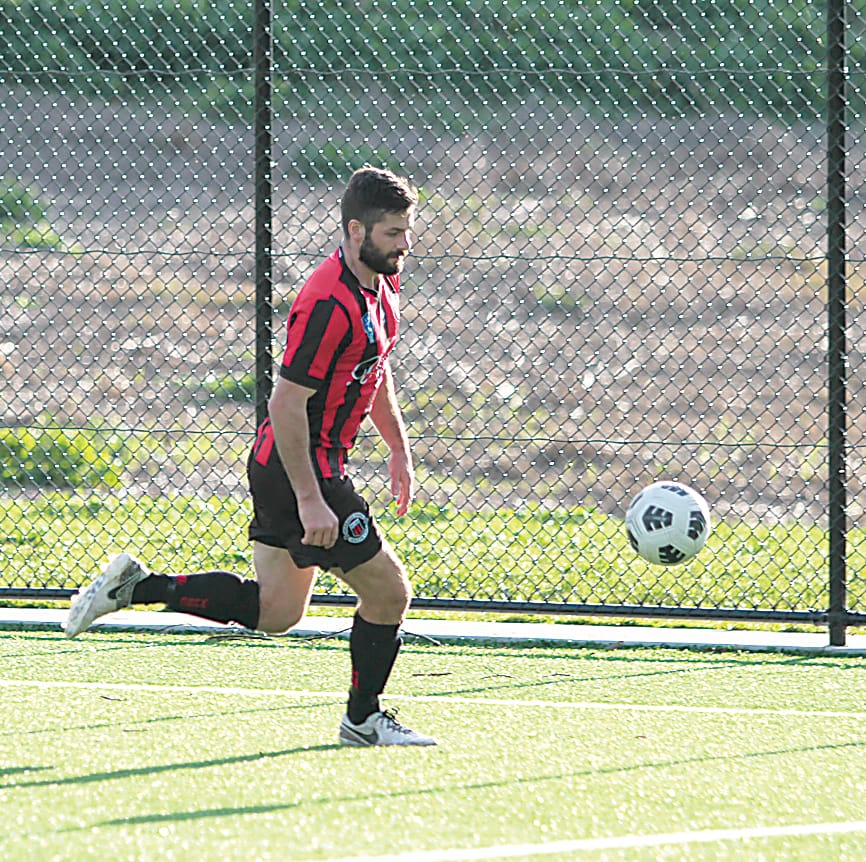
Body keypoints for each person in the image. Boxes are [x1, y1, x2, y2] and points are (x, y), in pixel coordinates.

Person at [64, 166, 436, 747]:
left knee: (276, 612)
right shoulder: (328, 300)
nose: (406, 244)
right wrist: (312, 499)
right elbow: (286, 404)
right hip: (299, 470)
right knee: (389, 592)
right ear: (356, 232)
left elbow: (374, 367)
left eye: (408, 230)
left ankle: (136, 588)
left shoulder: (383, 286)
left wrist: (398, 448)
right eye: (394, 233)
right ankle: (363, 719)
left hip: (297, 467)